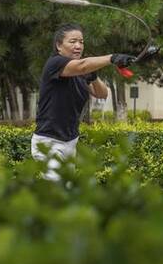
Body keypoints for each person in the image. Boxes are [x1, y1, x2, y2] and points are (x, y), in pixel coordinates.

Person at [31, 23, 136, 180]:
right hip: (49, 142)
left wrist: (93, 76)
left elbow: (101, 93)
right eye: (72, 42)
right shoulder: (55, 63)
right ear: (59, 46)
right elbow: (82, 66)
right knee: (57, 192)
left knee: (66, 191)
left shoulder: (81, 72)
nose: (78, 46)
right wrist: (112, 58)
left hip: (70, 141)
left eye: (81, 42)